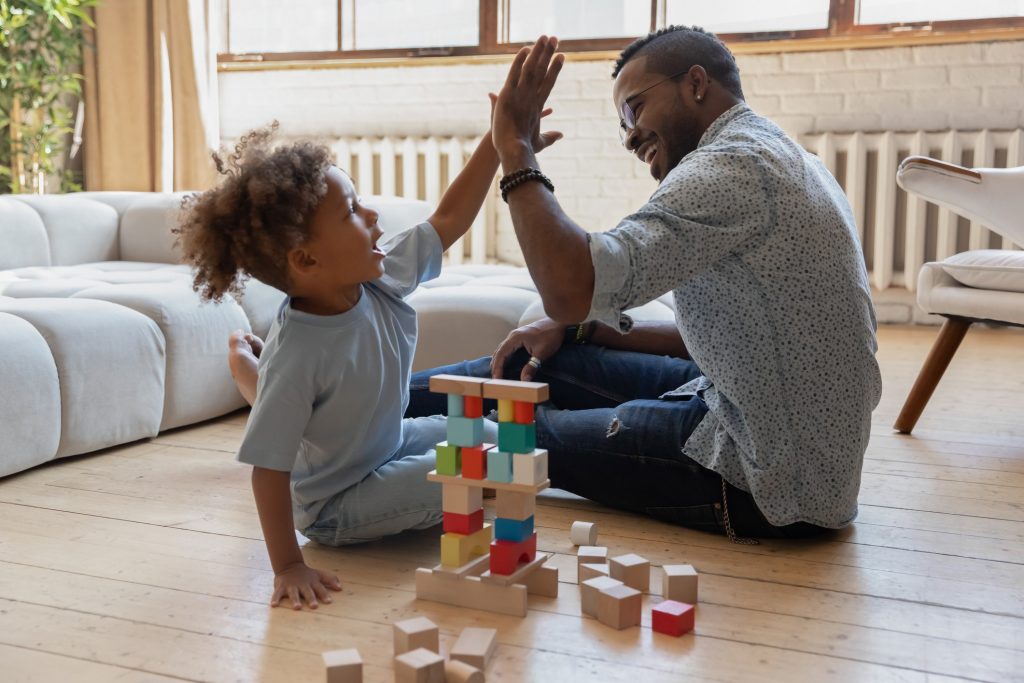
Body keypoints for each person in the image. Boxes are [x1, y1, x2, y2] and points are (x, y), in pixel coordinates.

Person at [407, 30, 882, 542]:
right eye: (622, 126)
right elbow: (727, 341)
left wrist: (516, 150)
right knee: (540, 361)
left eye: (634, 110)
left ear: (696, 84)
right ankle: (371, 403)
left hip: (769, 479)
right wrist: (579, 331)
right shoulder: (777, 153)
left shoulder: (729, 167)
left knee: (507, 433)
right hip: (756, 420)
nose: (630, 136)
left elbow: (569, 289)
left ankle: (362, 425)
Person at [174, 115, 562, 610]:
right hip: (337, 504)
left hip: (387, 445)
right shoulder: (299, 353)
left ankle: (242, 364)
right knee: (481, 469)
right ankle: (244, 366)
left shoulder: (375, 275)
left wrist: (497, 142)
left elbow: (445, 222)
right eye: (353, 212)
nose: (374, 215)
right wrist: (288, 564)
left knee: (499, 439)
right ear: (307, 260)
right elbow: (268, 472)